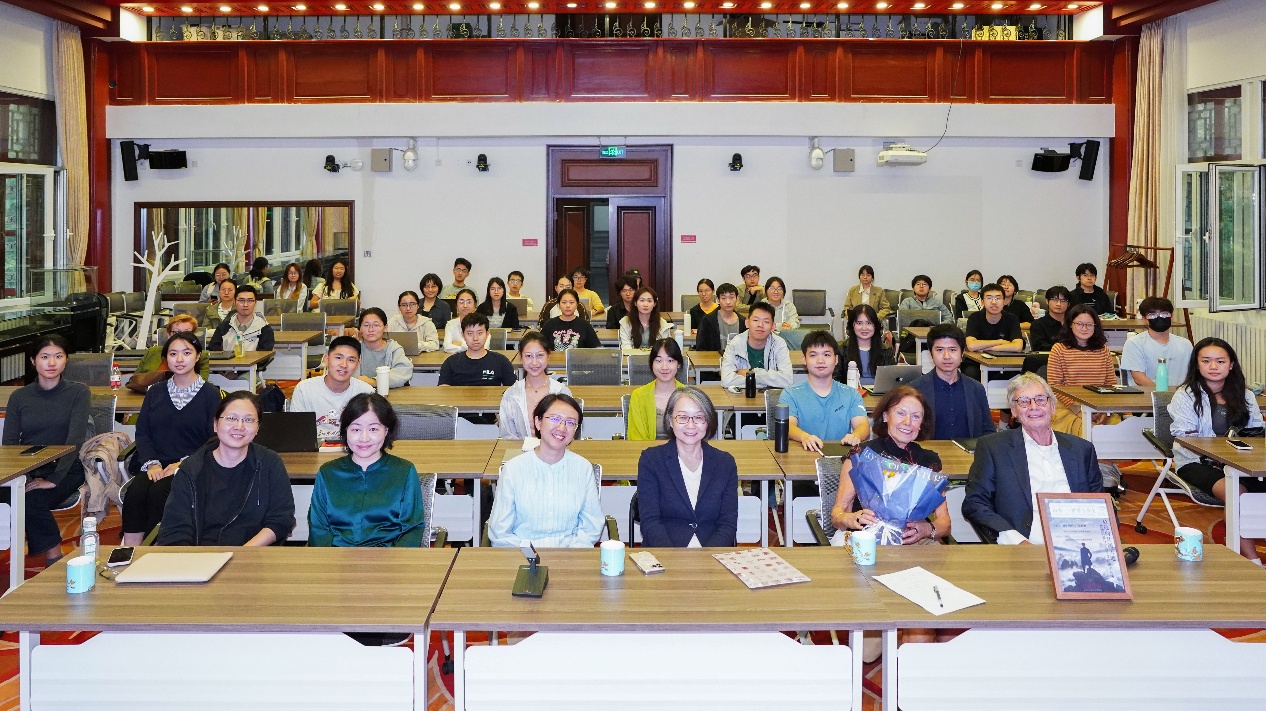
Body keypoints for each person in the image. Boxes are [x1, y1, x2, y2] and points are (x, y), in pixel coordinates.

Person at [961, 373, 1102, 544]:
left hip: (1080, 543)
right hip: (1024, 545)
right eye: (1024, 401)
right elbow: (975, 503)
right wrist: (1016, 541)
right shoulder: (993, 448)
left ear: (1053, 407)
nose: (1034, 407)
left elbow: (1100, 504)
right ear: (1013, 411)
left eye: (1041, 400)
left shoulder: (1082, 450)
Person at [122, 332, 224, 546]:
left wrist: (183, 463)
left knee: (160, 494)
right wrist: (152, 463)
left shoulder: (210, 394)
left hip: (193, 465)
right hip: (155, 463)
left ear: (197, 357)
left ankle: (156, 550)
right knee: (135, 494)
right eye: (173, 353)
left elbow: (214, 439)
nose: (179, 359)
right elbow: (143, 433)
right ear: (165, 358)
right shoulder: (155, 392)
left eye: (186, 353)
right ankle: (131, 552)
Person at [157, 391, 296, 546]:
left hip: (253, 554)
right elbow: (175, 529)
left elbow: (281, 519)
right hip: (201, 555)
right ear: (215, 424)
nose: (239, 426)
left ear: (257, 428)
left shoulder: (270, 463)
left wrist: (243, 552)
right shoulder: (191, 469)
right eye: (231, 418)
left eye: (249, 420)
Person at [1172, 340, 1266, 560]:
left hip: (1241, 462)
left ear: (1231, 364)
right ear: (1196, 364)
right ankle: (1252, 560)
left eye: (1220, 361)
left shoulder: (1246, 395)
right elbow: (1185, 436)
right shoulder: (1185, 395)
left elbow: (1256, 432)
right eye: (1206, 361)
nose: (1213, 366)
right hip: (1196, 462)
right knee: (1237, 493)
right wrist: (1217, 456)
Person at [1, 336, 90, 566]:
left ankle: (54, 557)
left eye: (58, 356)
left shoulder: (78, 392)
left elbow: (75, 441)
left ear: (66, 360)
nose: (52, 363)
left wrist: (53, 479)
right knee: (12, 494)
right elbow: (9, 443)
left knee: (30, 500)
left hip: (66, 467)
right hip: (30, 466)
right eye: (45, 357)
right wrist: (24, 476)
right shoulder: (19, 396)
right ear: (33, 361)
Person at [829, 385, 949, 545]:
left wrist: (927, 529)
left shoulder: (929, 462)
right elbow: (837, 515)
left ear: (921, 423)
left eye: (915, 416)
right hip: (865, 539)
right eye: (900, 413)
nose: (907, 422)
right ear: (885, 416)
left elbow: (945, 523)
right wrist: (851, 518)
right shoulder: (861, 455)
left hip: (913, 542)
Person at [308, 393, 427, 547]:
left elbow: (412, 529)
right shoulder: (328, 472)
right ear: (345, 431)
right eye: (356, 429)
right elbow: (318, 528)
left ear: (386, 431)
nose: (364, 438)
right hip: (336, 557)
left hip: (389, 557)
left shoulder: (404, 471)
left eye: (373, 429)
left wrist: (396, 560)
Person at [487, 393, 604, 548]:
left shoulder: (583, 468)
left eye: (570, 422)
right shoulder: (514, 469)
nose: (562, 428)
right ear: (538, 422)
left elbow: (591, 527)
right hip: (522, 554)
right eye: (555, 419)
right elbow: (500, 532)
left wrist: (570, 554)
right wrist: (529, 553)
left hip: (570, 555)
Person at [636, 387, 738, 547]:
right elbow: (651, 522)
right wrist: (674, 558)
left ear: (708, 421)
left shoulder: (725, 463)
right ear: (670, 420)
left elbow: (727, 524)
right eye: (682, 417)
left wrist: (707, 558)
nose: (691, 425)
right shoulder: (651, 460)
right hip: (665, 553)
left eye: (699, 417)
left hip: (712, 554)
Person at [780, 330, 869, 454]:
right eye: (813, 355)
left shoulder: (851, 394)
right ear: (804, 360)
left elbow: (863, 425)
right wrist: (804, 437)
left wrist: (856, 435)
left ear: (836, 359)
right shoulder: (790, 394)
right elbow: (788, 426)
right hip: (802, 456)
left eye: (826, 355)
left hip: (839, 457)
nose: (820, 360)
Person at [910, 324, 995, 440]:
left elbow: (988, 430)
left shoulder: (976, 388)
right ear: (931, 354)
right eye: (940, 350)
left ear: (962, 353)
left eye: (953, 350)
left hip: (969, 451)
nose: (947, 356)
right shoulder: (915, 389)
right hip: (927, 451)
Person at [290, 336, 374, 443]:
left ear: (358, 364)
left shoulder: (366, 392)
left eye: (351, 360)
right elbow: (296, 432)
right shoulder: (304, 389)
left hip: (354, 448)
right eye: (338, 358)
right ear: (326, 359)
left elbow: (373, 431)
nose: (344, 365)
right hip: (314, 449)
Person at [1047, 304, 1116, 435]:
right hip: (1068, 406)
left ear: (1095, 327)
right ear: (1070, 324)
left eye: (1089, 325)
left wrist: (1105, 411)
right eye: (1079, 324)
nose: (1084, 328)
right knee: (1085, 431)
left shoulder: (1103, 350)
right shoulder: (1059, 349)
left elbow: (1111, 384)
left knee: (1117, 432)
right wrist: (1079, 411)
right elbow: (1055, 386)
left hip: (1099, 406)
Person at [498, 332, 570, 440]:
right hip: (520, 449)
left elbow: (569, 431)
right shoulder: (511, 394)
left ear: (548, 356)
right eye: (528, 356)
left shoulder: (561, 392)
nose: (534, 362)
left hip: (555, 449)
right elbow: (507, 436)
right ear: (521, 357)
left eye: (540, 355)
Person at [126, 314, 211, 393]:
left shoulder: (201, 356)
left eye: (187, 332)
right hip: (147, 396)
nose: (182, 336)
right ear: (168, 335)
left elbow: (202, 385)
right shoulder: (153, 351)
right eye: (176, 332)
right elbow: (136, 379)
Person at [1121, 296, 1192, 387]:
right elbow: (1139, 379)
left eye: (1164, 314)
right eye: (1152, 315)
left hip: (1180, 394)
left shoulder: (1185, 344)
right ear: (1144, 319)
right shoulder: (1135, 343)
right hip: (1147, 394)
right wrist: (1162, 393)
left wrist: (1180, 393)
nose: (1159, 317)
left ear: (1172, 316)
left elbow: (1192, 375)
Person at [720, 302, 793, 390]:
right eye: (755, 320)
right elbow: (727, 380)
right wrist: (768, 382)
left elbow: (787, 380)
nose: (760, 325)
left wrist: (753, 373)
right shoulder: (735, 344)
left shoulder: (779, 344)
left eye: (766, 321)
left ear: (773, 326)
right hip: (741, 396)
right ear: (747, 323)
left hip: (770, 395)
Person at [628, 338, 686, 440]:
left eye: (670, 360)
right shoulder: (638, 396)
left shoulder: (690, 396)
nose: (664, 367)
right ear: (652, 364)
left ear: (679, 364)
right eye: (659, 361)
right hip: (648, 450)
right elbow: (636, 439)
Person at [439, 312, 518, 386]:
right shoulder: (450, 363)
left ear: (487, 334)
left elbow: (514, 390)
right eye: (470, 333)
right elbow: (443, 390)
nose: (475, 338)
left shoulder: (501, 362)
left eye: (480, 333)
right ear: (463, 335)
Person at [837, 304, 896, 387]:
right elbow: (835, 379)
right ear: (853, 325)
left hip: (879, 393)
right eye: (859, 323)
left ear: (875, 325)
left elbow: (892, 380)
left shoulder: (886, 350)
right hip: (850, 392)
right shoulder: (841, 349)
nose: (864, 328)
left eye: (869, 323)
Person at [354, 307, 412, 390]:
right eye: (366, 325)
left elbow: (403, 372)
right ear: (360, 328)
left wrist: (375, 381)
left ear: (385, 327)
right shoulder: (354, 350)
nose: (370, 329)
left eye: (376, 325)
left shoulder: (394, 349)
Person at [208, 283, 275, 352]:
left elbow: (264, 356)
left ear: (255, 303)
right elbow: (213, 350)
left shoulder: (264, 329)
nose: (245, 304)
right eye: (241, 300)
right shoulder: (225, 326)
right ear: (234, 302)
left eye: (250, 300)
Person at [964, 283, 1023, 352]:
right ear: (982, 302)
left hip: (1004, 358)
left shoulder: (1012, 319)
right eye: (989, 298)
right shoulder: (975, 318)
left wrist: (987, 349)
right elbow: (971, 346)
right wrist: (1000, 341)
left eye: (998, 298)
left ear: (1004, 301)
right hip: (978, 358)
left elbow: (1018, 347)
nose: (994, 302)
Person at [618, 286, 673, 352]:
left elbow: (664, 349)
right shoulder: (625, 322)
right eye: (642, 300)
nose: (645, 304)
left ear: (654, 304)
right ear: (635, 303)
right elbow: (626, 348)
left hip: (655, 358)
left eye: (649, 301)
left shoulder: (663, 324)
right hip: (633, 357)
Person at [694, 282, 744, 353]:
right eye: (723, 298)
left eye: (731, 297)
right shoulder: (708, 320)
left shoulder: (743, 321)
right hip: (713, 359)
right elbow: (700, 348)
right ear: (718, 300)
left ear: (737, 298)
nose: (728, 302)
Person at [1029, 286, 1071, 353]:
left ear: (1068, 304)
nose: (1058, 304)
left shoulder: (1074, 323)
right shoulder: (1038, 324)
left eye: (1063, 301)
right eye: (1055, 300)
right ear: (1047, 301)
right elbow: (1039, 347)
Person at [442, 288, 479, 353]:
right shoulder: (451, 324)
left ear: (475, 305)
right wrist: (470, 346)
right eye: (461, 302)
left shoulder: (481, 323)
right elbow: (447, 347)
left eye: (469, 302)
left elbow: (484, 347)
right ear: (456, 305)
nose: (465, 306)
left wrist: (458, 344)